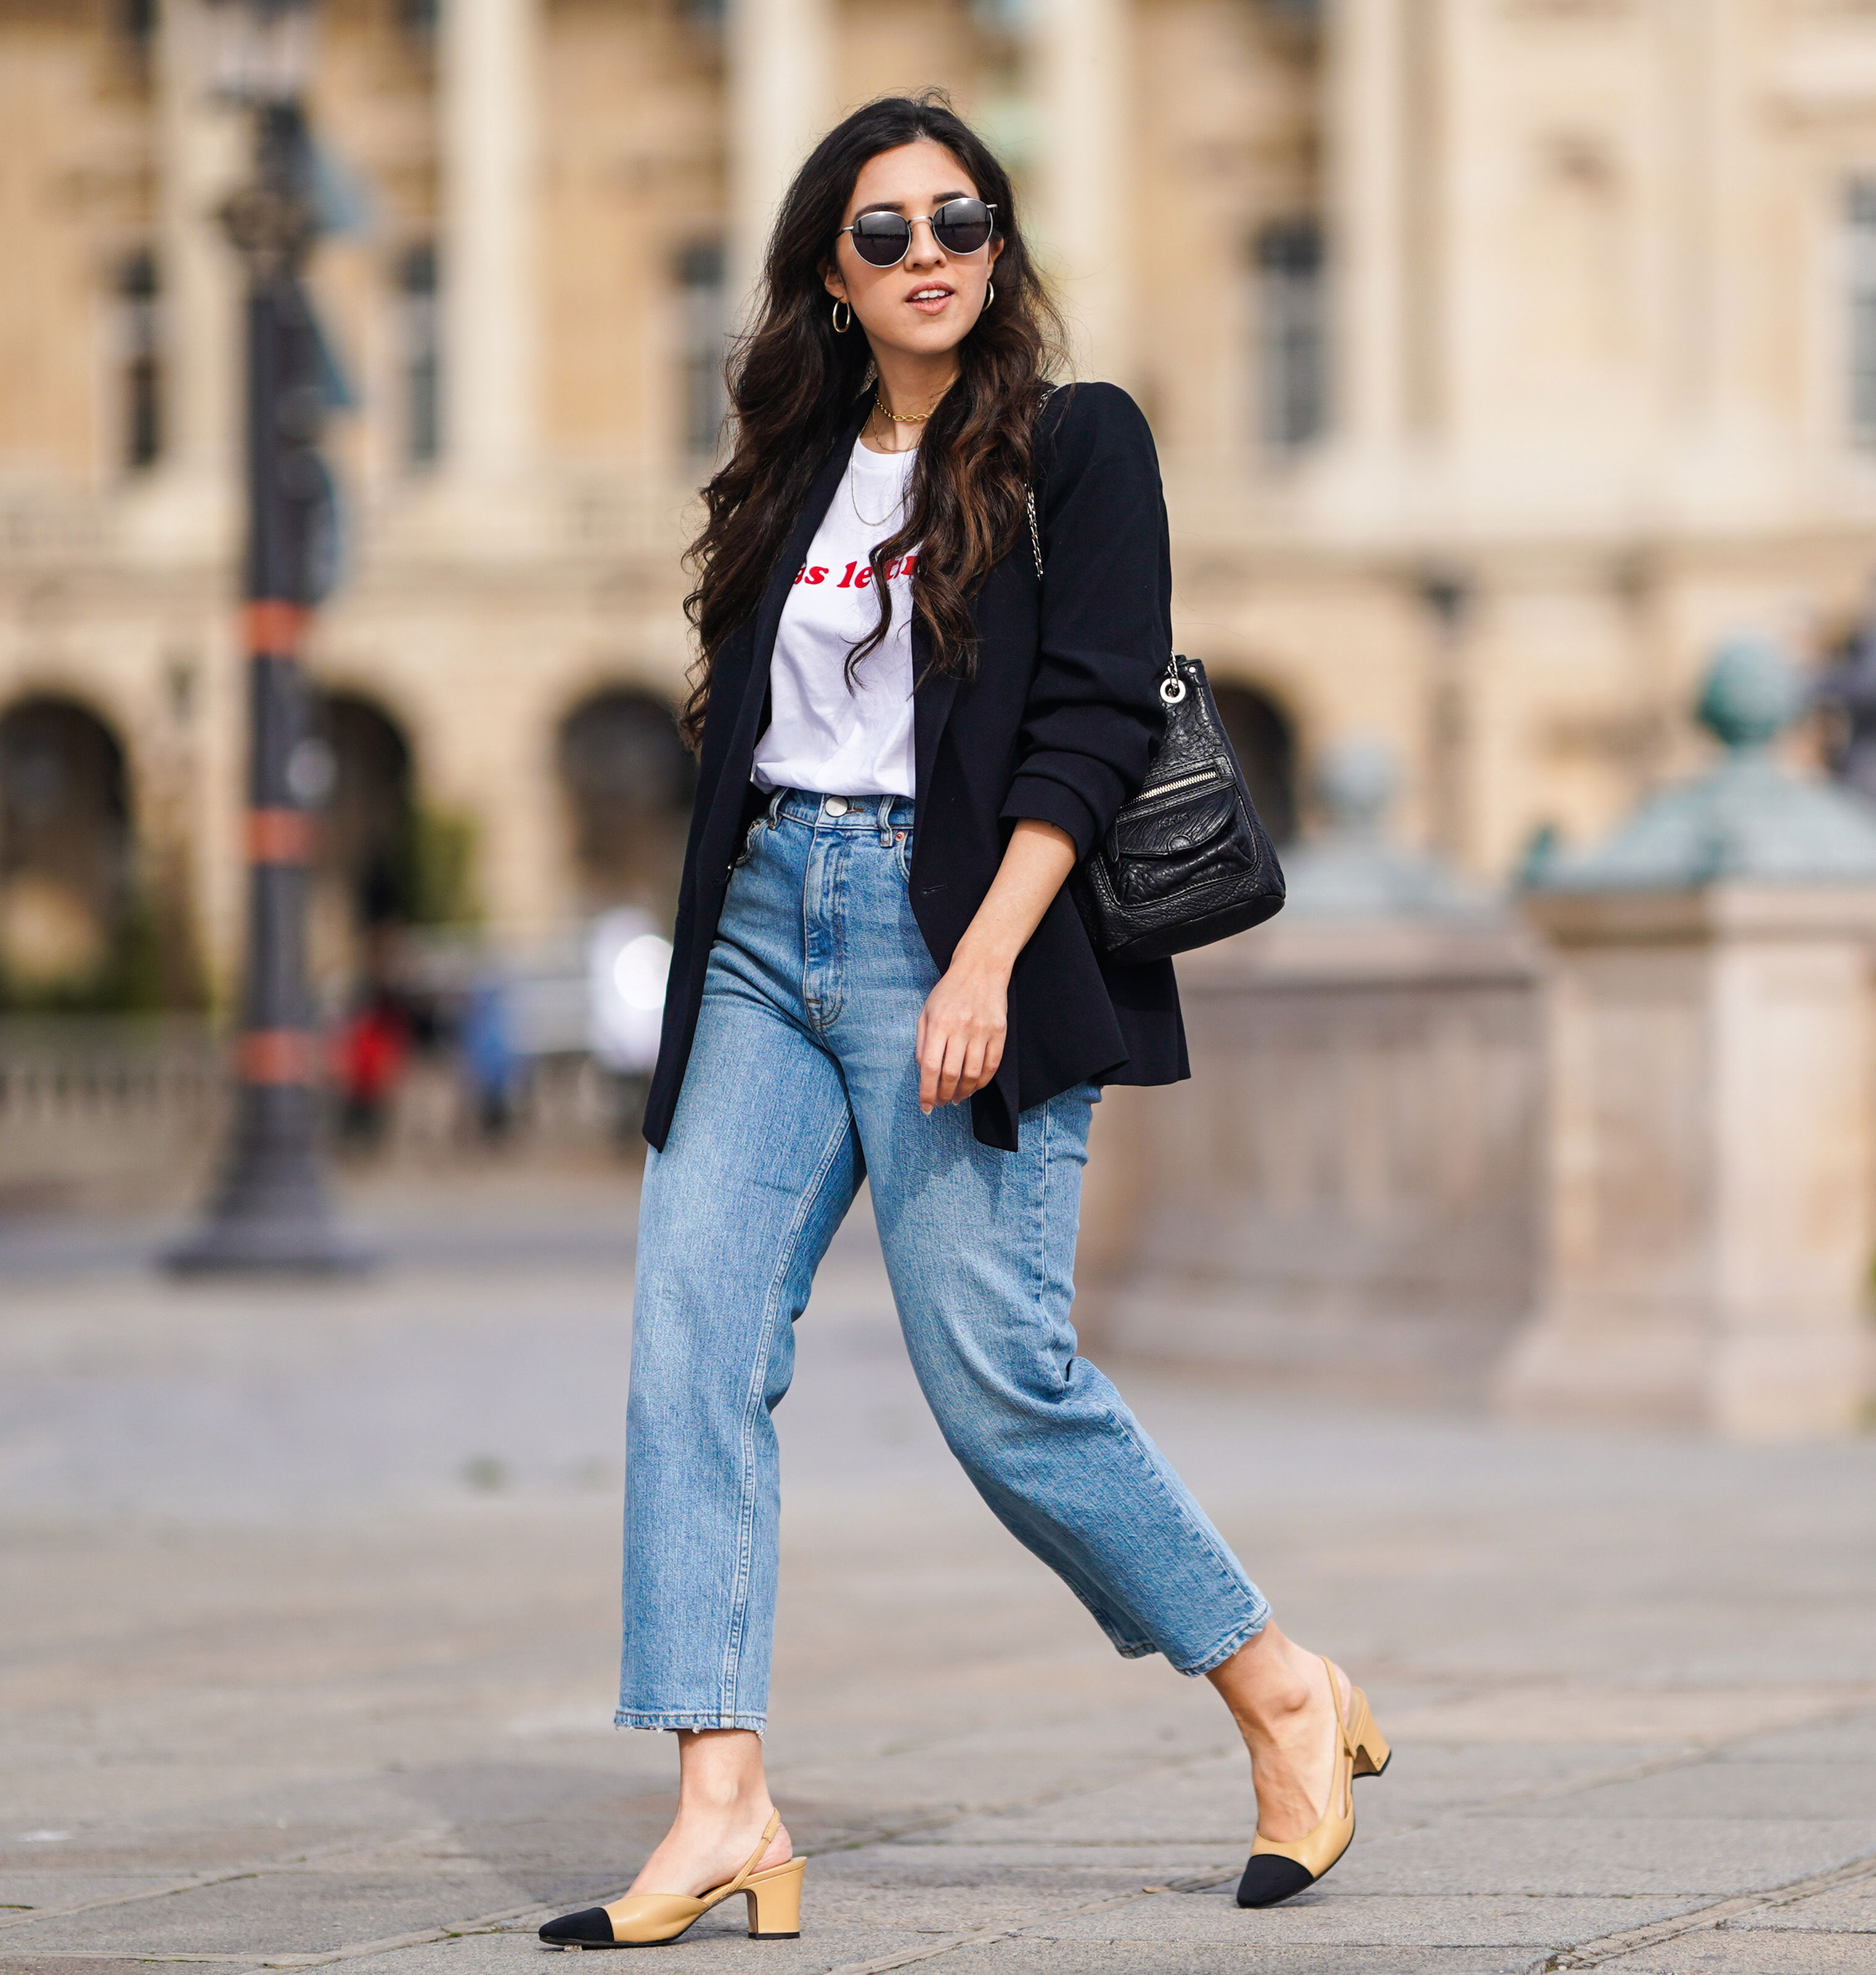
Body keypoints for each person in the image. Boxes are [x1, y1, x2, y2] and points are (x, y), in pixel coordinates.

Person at [537, 96, 1385, 1952]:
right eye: (885, 231)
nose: (928, 255)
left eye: (960, 220)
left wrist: (987, 959)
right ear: (828, 274)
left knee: (1001, 1382)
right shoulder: (790, 465)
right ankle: (721, 1802)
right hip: (762, 928)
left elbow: (1093, 720)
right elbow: (744, 721)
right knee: (690, 1344)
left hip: (958, 925)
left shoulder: (1082, 443)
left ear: (999, 247)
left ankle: (1281, 1690)